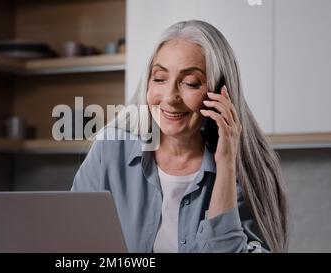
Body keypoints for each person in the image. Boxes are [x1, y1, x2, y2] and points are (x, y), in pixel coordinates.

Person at [71, 20, 289, 253]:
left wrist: (226, 165)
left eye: (190, 83)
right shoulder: (110, 151)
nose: (170, 97)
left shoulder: (246, 170)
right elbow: (72, 240)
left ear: (220, 93)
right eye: (159, 78)